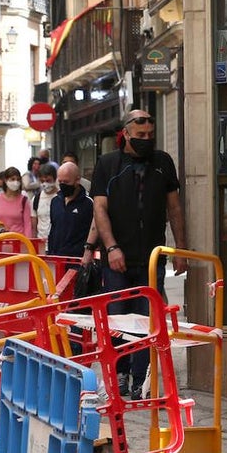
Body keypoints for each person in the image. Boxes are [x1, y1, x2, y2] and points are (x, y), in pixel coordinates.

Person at [90, 109, 188, 397]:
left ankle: (140, 378)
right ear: (127, 133)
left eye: (150, 135)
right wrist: (111, 247)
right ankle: (118, 374)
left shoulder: (162, 162)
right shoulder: (108, 164)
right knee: (118, 320)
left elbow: (175, 209)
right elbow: (99, 209)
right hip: (117, 259)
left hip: (153, 259)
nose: (146, 139)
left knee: (147, 321)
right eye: (141, 135)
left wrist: (180, 249)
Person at [46, 161, 95, 258]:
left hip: (77, 259)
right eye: (60, 182)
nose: (63, 185)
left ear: (77, 180)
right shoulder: (55, 201)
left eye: (66, 182)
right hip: (56, 258)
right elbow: (53, 229)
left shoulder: (89, 203)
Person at [0, 166, 35, 237]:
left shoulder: (24, 200)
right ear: (5, 180)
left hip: (19, 241)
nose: (15, 182)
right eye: (12, 179)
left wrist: (27, 243)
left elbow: (27, 225)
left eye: (18, 179)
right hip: (0, 240)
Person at [32, 163, 59, 243]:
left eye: (48, 181)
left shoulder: (62, 197)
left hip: (57, 244)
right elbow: (34, 225)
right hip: (41, 243)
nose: (45, 184)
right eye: (42, 181)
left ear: (55, 179)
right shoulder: (36, 199)